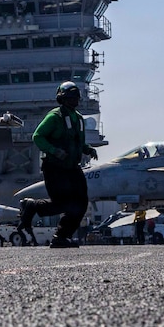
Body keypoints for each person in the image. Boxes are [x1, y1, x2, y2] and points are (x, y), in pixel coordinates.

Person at [16, 81, 98, 248]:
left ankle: (61, 236)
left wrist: (88, 149)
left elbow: (77, 142)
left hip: (72, 167)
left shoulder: (78, 118)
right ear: (62, 99)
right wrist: (54, 150)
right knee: (62, 203)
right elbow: (37, 136)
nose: (74, 100)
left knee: (81, 203)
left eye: (75, 97)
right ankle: (32, 206)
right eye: (70, 98)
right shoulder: (54, 117)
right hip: (54, 167)